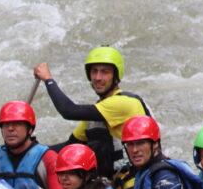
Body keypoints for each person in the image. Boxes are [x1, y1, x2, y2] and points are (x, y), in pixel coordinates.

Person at [33, 46, 152, 178]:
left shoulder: (125, 103)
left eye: (104, 72)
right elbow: (69, 146)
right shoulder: (97, 113)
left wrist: (48, 80)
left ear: (116, 75)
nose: (98, 77)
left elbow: (69, 111)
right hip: (115, 186)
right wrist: (35, 153)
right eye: (94, 71)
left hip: (138, 183)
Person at [0, 101, 64, 189]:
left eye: (17, 124)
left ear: (30, 129)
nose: (10, 129)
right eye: (6, 124)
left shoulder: (48, 158)